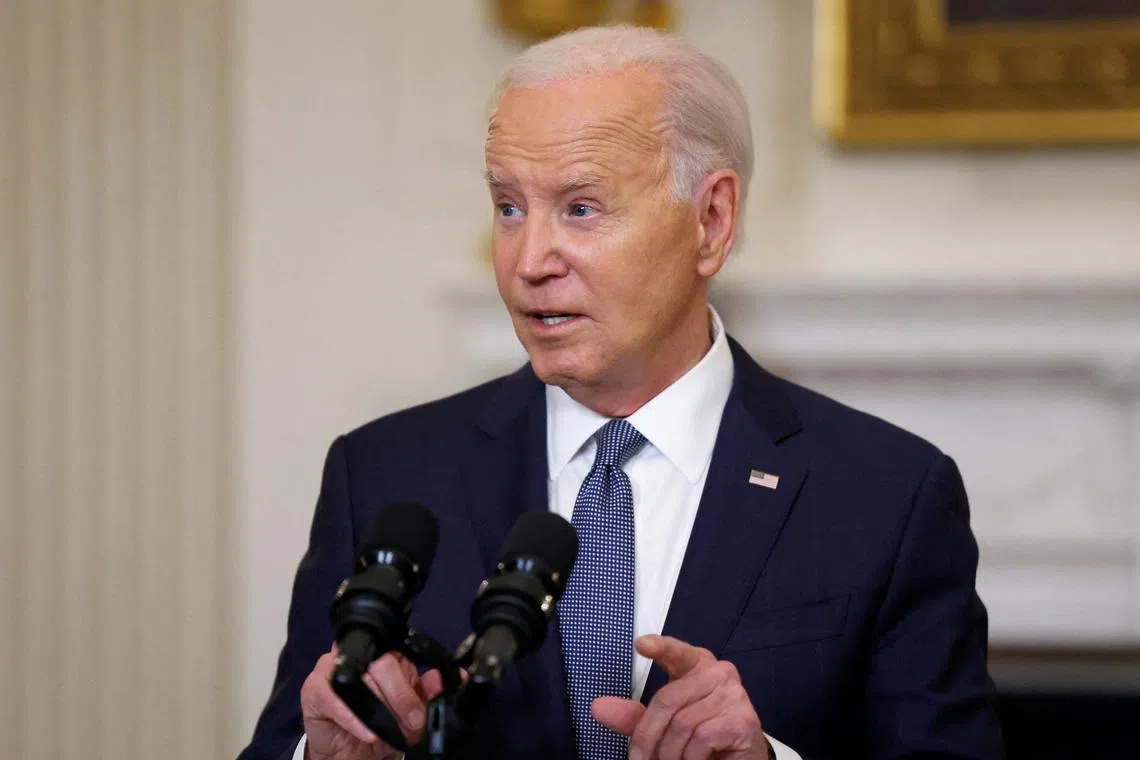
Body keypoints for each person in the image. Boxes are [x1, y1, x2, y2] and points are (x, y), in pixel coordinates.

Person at [238, 25, 1003, 760]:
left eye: (581, 208)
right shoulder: (383, 476)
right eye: (509, 207)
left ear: (711, 221)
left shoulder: (887, 496)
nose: (529, 261)